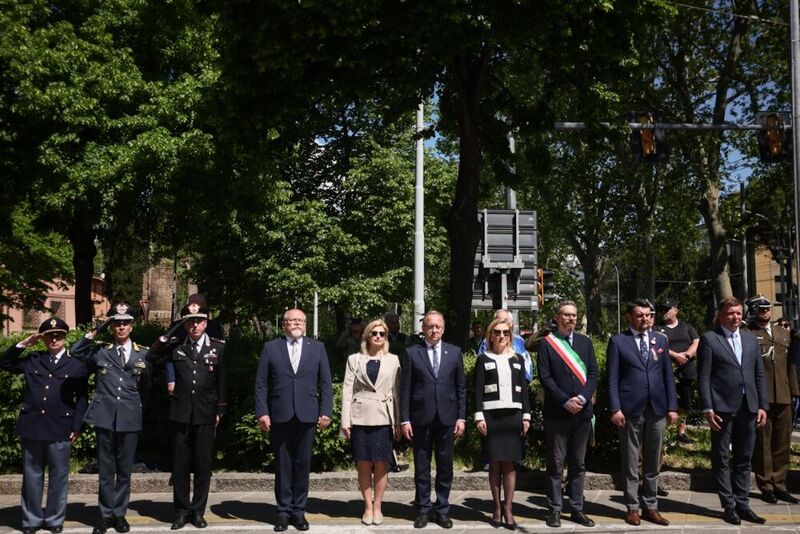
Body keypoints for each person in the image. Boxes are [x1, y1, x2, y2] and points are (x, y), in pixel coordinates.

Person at [0, 318, 88, 534]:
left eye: (58, 334)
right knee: (32, 476)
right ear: (43, 338)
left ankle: (54, 520)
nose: (54, 338)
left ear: (65, 337)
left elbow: (82, 399)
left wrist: (77, 426)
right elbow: (4, 363)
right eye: (49, 335)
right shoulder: (33, 359)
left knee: (59, 476)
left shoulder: (76, 364)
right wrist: (23, 344)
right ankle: (31, 520)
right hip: (33, 426)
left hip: (61, 427)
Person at [71, 302, 150, 534]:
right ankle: (105, 516)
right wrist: (95, 331)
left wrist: (139, 408)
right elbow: (76, 351)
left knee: (125, 470)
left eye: (125, 323)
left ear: (131, 326)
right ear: (111, 326)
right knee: (106, 471)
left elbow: (147, 387)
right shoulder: (100, 351)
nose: (121, 327)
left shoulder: (142, 353)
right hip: (105, 417)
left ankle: (119, 515)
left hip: (130, 417)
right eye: (116, 323)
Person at [147, 302, 227, 529]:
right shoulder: (175, 347)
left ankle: (198, 511)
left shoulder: (218, 348)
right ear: (185, 324)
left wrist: (220, 410)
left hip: (205, 414)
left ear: (206, 322)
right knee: (180, 466)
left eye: (199, 320)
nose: (195, 325)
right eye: (190, 321)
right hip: (180, 414)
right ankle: (181, 511)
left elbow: (222, 382)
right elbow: (152, 356)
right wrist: (172, 331)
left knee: (203, 466)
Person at [254, 309, 333, 532]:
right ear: (283, 325)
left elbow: (326, 382)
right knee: (283, 465)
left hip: (308, 414)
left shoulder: (317, 348)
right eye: (291, 320)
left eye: (300, 320)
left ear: (305, 324)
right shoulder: (271, 347)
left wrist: (326, 410)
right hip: (280, 414)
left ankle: (299, 512)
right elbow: (261, 383)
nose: (296, 323)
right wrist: (262, 412)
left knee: (302, 464)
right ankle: (282, 511)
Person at [698, 296, 768, 525]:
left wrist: (762, 405)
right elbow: (704, 376)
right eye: (731, 313)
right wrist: (707, 407)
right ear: (720, 315)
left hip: (748, 408)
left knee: (745, 458)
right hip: (721, 409)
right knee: (721, 457)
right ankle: (728, 506)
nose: (736, 317)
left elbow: (759, 374)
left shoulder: (750, 340)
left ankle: (743, 504)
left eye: (739, 313)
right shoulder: (710, 339)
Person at [607, 299, 677, 527]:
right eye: (639, 315)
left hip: (657, 408)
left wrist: (672, 407)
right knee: (630, 460)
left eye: (648, 315)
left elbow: (668, 375)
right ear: (629, 317)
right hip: (630, 410)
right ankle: (633, 508)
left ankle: (651, 506)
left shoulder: (660, 340)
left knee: (653, 461)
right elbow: (613, 379)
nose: (644, 319)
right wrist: (615, 407)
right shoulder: (618, 341)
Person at [400, 311, 466, 529]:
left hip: (447, 418)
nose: (434, 330)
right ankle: (423, 509)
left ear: (443, 329)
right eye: (430, 326)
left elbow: (460, 388)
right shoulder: (412, 353)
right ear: (423, 329)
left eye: (438, 326)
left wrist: (461, 417)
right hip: (421, 418)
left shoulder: (454, 352)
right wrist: (405, 419)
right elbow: (405, 389)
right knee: (422, 467)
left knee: (445, 466)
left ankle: (443, 509)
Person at [536, 301, 598, 528]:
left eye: (574, 315)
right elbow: (545, 377)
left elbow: (593, 373)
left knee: (578, 464)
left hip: (582, 413)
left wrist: (582, 398)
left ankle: (577, 509)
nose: (571, 319)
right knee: (555, 463)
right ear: (557, 317)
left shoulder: (585, 342)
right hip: (557, 413)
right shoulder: (547, 344)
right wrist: (564, 400)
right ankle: (554, 509)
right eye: (566, 315)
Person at [340, 319, 402, 526]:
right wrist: (345, 421)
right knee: (364, 464)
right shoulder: (354, 359)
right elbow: (347, 391)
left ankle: (378, 506)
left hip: (384, 417)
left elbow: (397, 393)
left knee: (381, 464)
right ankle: (367, 506)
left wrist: (399, 422)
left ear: (386, 337)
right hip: (360, 417)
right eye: (374, 333)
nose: (378, 337)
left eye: (382, 334)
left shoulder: (393, 360)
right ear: (367, 335)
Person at [474, 317, 531, 529]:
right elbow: (478, 389)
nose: (501, 336)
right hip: (491, 417)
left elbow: (524, 390)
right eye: (497, 332)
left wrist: (526, 415)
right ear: (490, 335)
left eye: (505, 333)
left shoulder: (517, 358)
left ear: (510, 336)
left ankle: (508, 507)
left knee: (510, 463)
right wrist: (478, 415)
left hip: (513, 416)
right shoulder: (483, 358)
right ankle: (496, 507)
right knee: (495, 463)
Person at [744, 296, 798, 504]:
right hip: (761, 397)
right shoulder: (748, 334)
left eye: (767, 309)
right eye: (761, 309)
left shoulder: (784, 333)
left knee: (782, 442)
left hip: (783, 394)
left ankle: (781, 484)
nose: (765, 313)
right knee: (763, 444)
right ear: (753, 311)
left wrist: (794, 392)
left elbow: (790, 365)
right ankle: (766, 485)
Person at [654, 300, 699, 444]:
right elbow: (656, 344)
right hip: (667, 371)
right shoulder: (657, 328)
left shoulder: (686, 326)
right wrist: (675, 355)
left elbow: (696, 341)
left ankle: (681, 432)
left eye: (667, 309)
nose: (664, 312)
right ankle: (667, 434)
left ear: (675, 310)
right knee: (668, 403)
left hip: (686, 370)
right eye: (661, 310)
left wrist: (686, 355)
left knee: (685, 404)